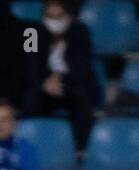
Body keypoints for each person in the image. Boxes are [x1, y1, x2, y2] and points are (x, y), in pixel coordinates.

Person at [38, 0, 101, 152]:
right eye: (50, 17)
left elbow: (82, 68)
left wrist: (59, 78)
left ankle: (81, 149)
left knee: (81, 96)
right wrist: (44, 83)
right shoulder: (32, 34)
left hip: (72, 83)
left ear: (68, 16)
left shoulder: (80, 31)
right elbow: (29, 65)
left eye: (59, 17)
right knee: (29, 98)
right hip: (44, 85)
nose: (54, 22)